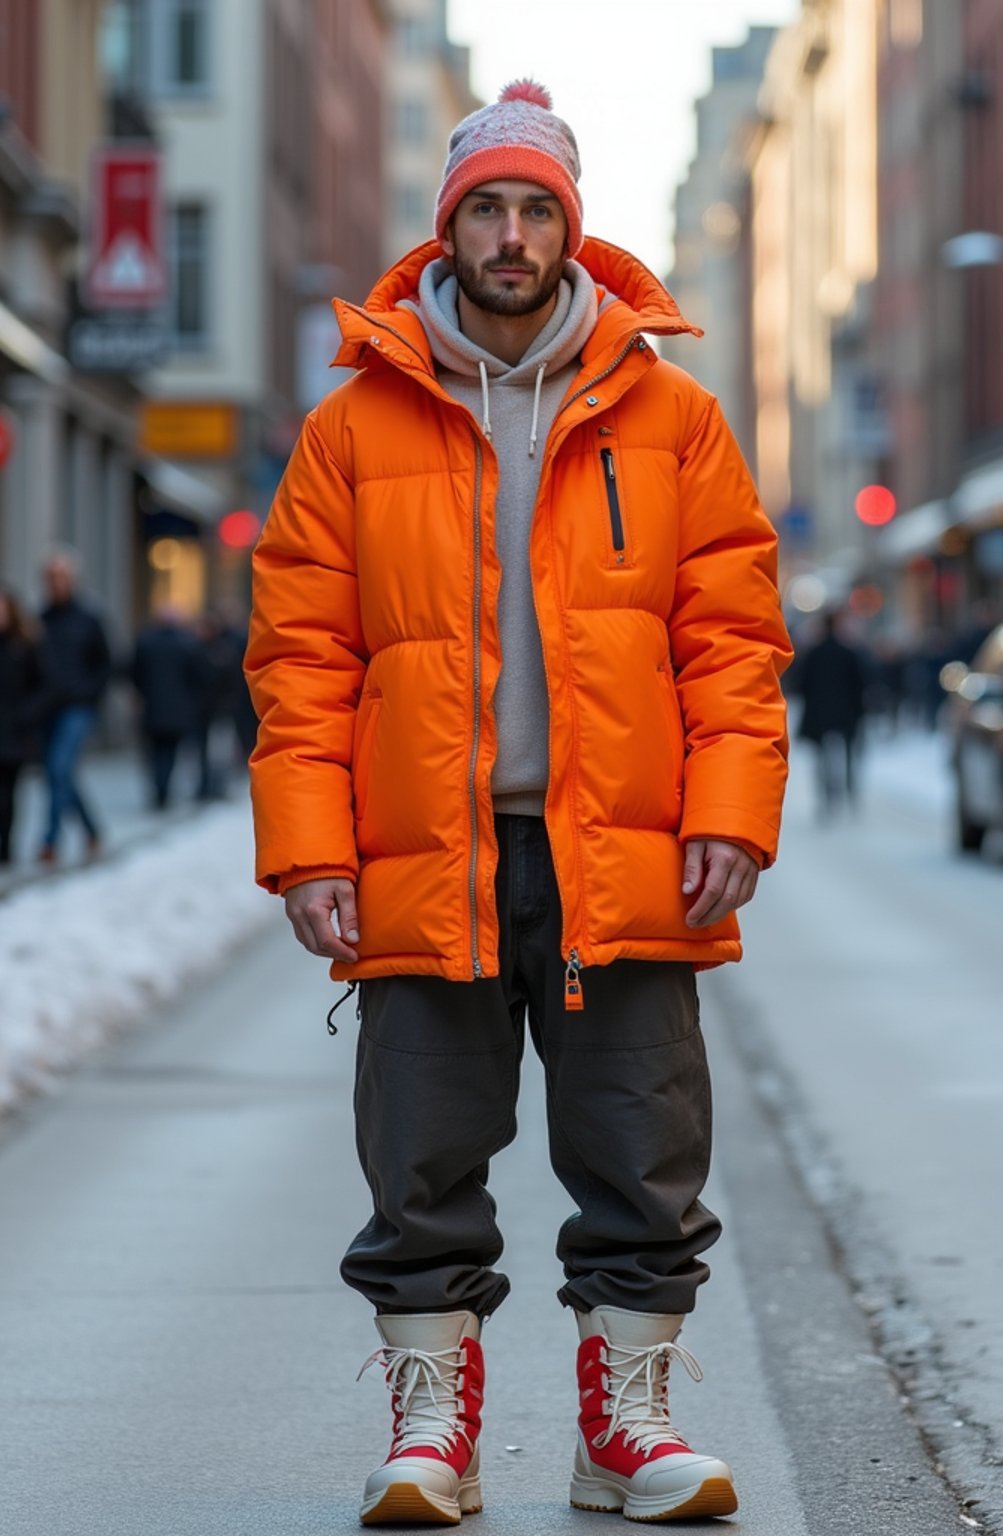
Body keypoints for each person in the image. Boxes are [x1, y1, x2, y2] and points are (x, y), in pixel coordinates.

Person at [245, 80, 791, 1528]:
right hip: (429, 848)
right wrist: (310, 847)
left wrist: (729, 810)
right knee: (420, 1153)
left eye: (533, 208)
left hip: (622, 847)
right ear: (448, 229)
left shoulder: (669, 417)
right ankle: (434, 1434)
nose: (508, 233)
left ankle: (628, 1429)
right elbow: (303, 660)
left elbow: (729, 639)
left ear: (571, 228)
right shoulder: (352, 427)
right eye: (483, 207)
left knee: (641, 1146)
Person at [36, 549, 111, 862]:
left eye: (62, 577)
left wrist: (89, 693)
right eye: (52, 578)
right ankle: (92, 830)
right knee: (59, 774)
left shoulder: (89, 619)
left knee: (59, 768)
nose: (57, 583)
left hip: (78, 708)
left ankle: (50, 841)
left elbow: (106, 663)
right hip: (46, 709)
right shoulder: (39, 621)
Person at [131, 604, 205, 810]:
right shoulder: (187, 644)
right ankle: (163, 789)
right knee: (170, 752)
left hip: (152, 706)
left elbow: (134, 672)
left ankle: (159, 788)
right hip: (178, 709)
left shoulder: (145, 641)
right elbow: (198, 676)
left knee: (154, 751)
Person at [795, 609, 868, 815]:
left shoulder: (813, 653)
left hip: (819, 712)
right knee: (848, 753)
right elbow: (860, 683)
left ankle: (826, 795)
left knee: (821, 757)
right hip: (845, 712)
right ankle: (849, 791)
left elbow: (802, 684)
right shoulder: (849, 652)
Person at [0, 584, 44, 865]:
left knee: (8, 792)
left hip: (13, 731)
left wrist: (26, 714)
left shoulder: (24, 646)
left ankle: (6, 845)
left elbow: (44, 686)